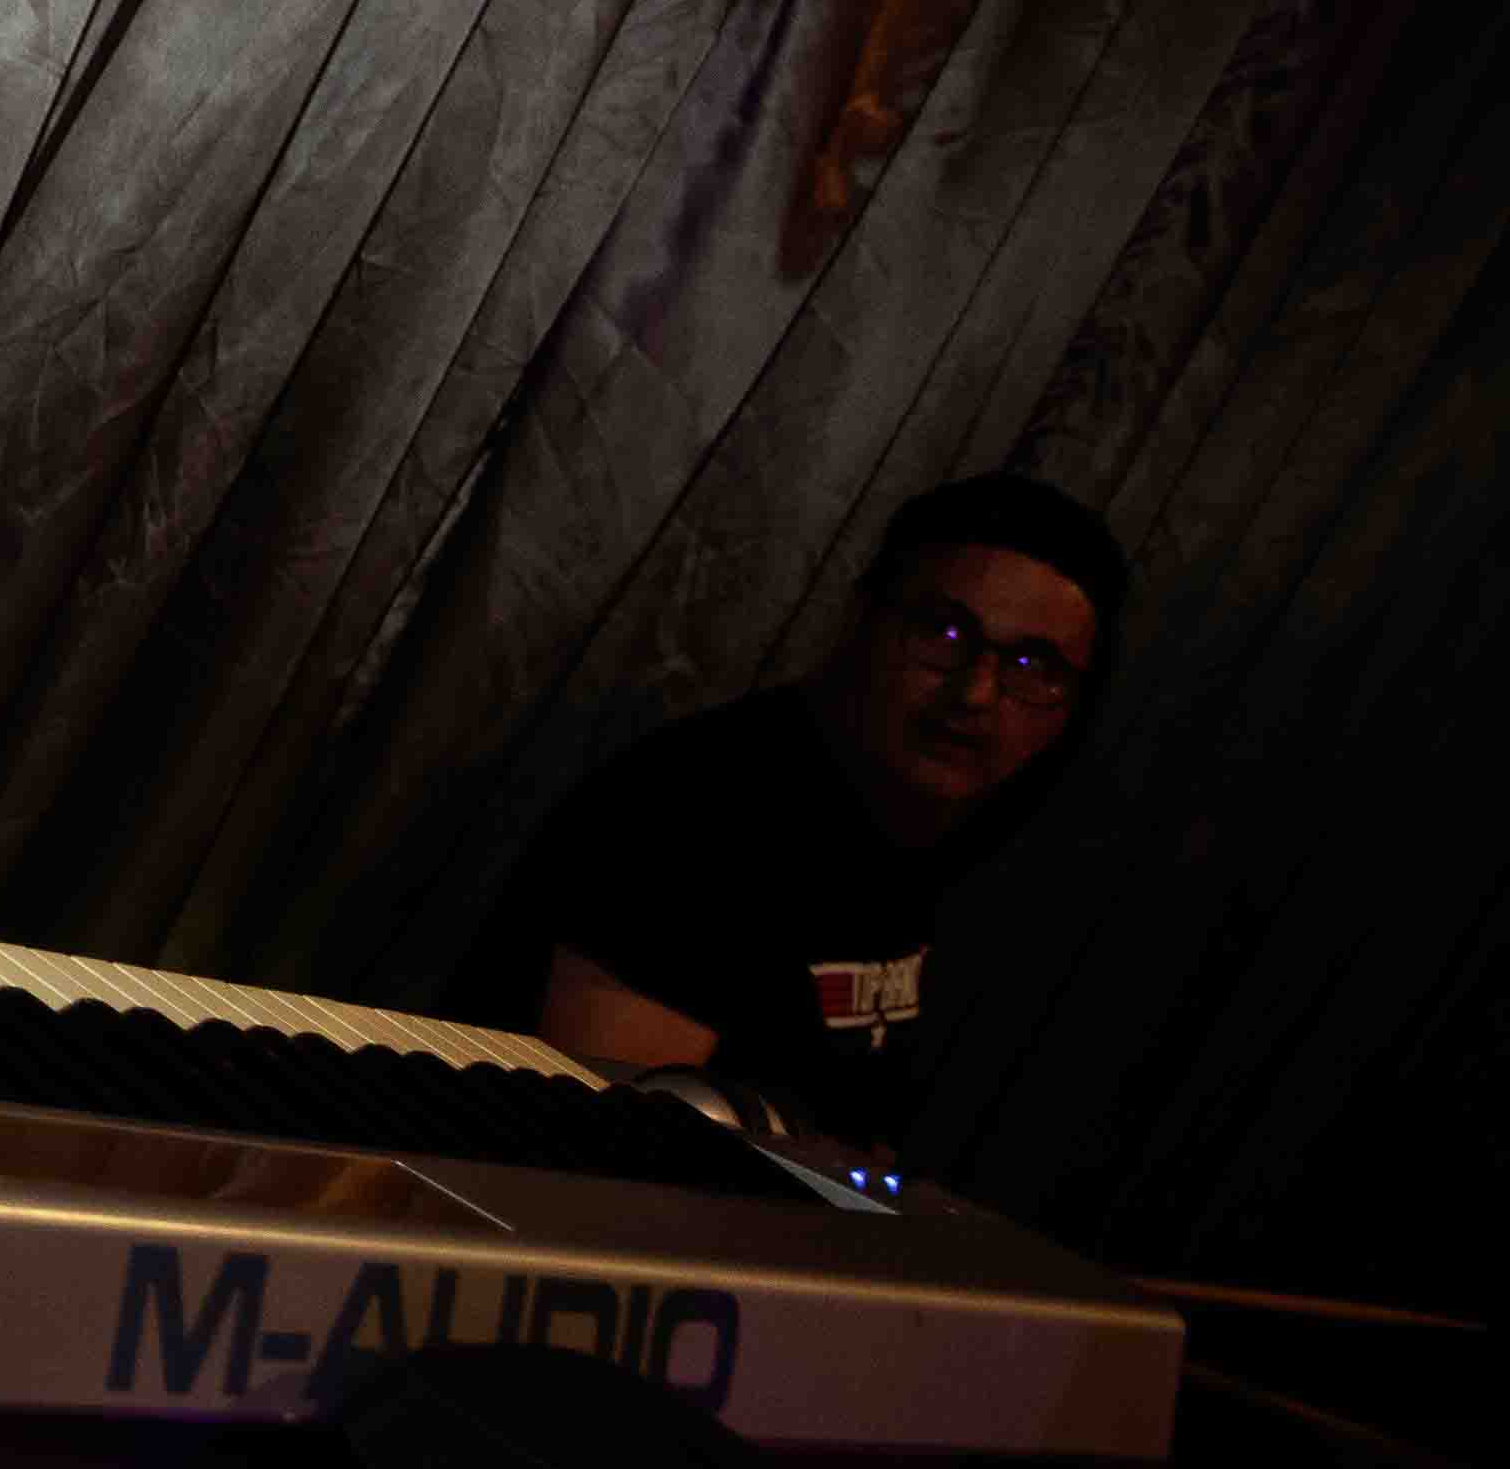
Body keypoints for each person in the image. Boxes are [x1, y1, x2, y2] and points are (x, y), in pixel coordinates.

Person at [446, 472, 1133, 1163]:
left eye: (1032, 665)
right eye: (943, 631)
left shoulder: (952, 832)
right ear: (861, 621)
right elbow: (598, 1155)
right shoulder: (695, 815)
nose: (976, 692)